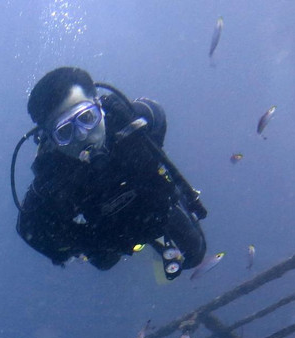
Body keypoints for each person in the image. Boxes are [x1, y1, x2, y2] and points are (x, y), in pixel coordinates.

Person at [13, 67, 208, 280]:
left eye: (87, 117)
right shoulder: (52, 176)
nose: (83, 135)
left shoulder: (133, 119)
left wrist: (152, 171)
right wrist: (85, 241)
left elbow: (157, 117)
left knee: (195, 255)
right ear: (51, 139)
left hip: (154, 207)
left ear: (99, 105)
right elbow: (30, 230)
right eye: (65, 132)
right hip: (106, 231)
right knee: (105, 262)